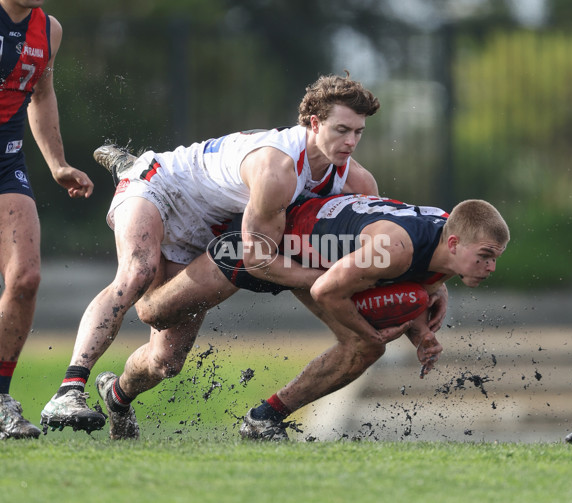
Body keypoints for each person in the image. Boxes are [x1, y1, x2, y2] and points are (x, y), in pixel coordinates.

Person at [41, 73, 421, 437]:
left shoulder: (356, 182)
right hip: (161, 185)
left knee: (165, 361)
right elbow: (258, 257)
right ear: (314, 122)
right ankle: (68, 391)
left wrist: (418, 316)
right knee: (137, 272)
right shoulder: (278, 168)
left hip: (208, 230)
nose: (351, 142)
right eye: (342, 130)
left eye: (358, 132)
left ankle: (118, 397)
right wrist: (329, 281)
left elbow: (376, 252)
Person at [97, 194, 507, 440]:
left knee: (364, 347)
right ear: (454, 242)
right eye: (485, 257)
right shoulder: (395, 247)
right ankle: (151, 195)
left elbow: (412, 286)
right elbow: (327, 290)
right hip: (266, 251)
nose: (490, 267)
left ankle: (264, 418)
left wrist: (420, 331)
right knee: (153, 317)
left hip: (313, 261)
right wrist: (374, 333)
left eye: (494, 258)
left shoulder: (445, 246)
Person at [0, 0, 94, 440]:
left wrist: (57, 163)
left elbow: (41, 94)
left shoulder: (48, 29)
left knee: (26, 278)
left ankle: (0, 399)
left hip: (6, 165)